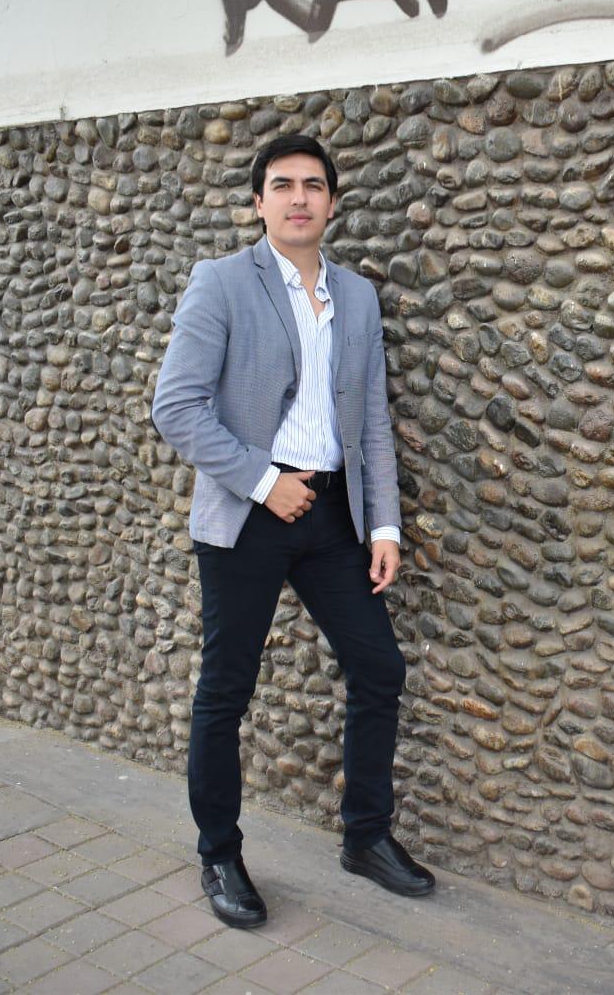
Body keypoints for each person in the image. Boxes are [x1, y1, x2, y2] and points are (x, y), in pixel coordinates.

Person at [151, 134, 434, 930]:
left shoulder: (358, 296)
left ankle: (366, 837)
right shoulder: (221, 283)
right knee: (226, 688)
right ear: (259, 202)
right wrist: (263, 479)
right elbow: (175, 407)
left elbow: (370, 420)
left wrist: (384, 524)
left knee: (379, 667)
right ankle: (219, 853)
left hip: (334, 516)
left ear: (332, 203)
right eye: (282, 185)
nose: (299, 197)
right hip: (249, 512)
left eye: (313, 185)